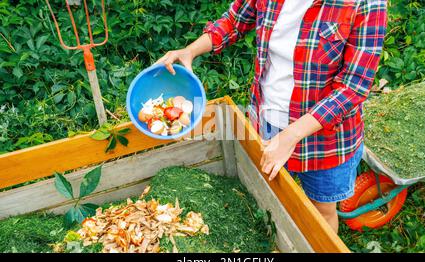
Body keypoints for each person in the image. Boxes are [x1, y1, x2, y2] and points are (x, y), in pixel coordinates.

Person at [155, 0, 387, 233]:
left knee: (322, 211)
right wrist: (190, 50)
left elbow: (353, 87)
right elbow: (234, 21)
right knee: (266, 198)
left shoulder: (366, 4)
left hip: (326, 139)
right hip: (267, 123)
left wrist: (291, 136)